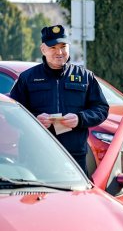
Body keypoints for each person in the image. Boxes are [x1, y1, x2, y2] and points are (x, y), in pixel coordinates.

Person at [10, 25, 109, 174]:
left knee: (76, 197)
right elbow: (13, 113)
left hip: (73, 157)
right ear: (43, 50)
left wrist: (80, 119)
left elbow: (101, 109)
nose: (59, 52)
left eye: (63, 47)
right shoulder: (27, 78)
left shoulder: (85, 77)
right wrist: (34, 120)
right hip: (37, 156)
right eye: (53, 48)